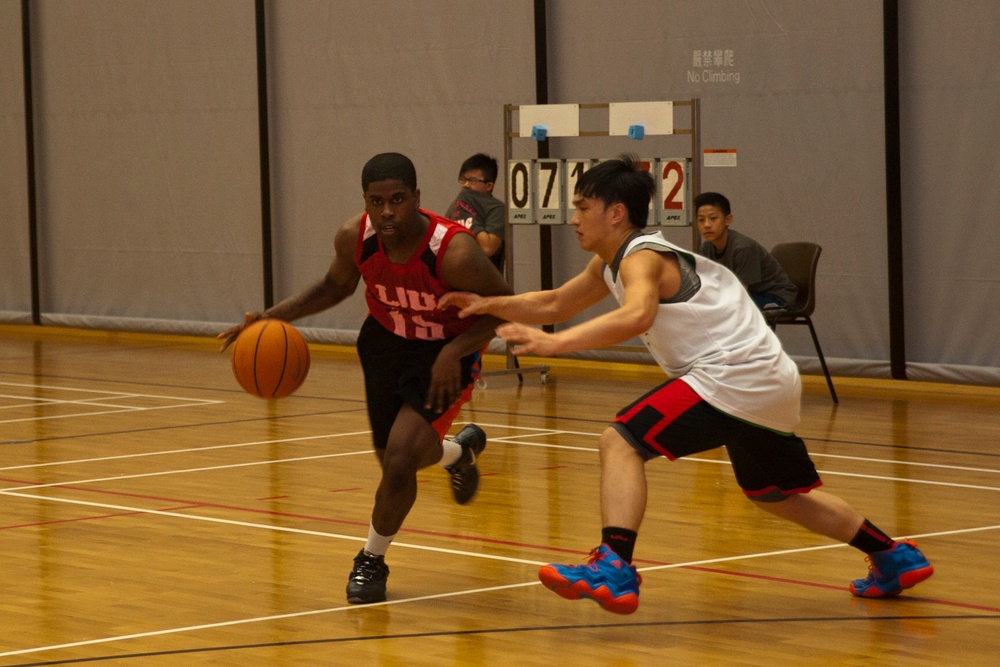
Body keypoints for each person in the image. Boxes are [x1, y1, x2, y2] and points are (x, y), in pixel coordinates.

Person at [440, 155, 932, 615]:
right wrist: (487, 305)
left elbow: (636, 316)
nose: (574, 217)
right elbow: (553, 304)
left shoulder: (642, 258)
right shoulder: (611, 261)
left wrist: (553, 345)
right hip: (767, 380)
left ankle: (614, 566)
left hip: (733, 373)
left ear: (615, 214)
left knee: (621, 441)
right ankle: (893, 557)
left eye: (582, 206)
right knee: (775, 495)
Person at [219, 152, 512, 605]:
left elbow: (504, 306)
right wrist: (266, 319)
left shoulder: (452, 250)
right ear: (365, 202)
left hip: (442, 352)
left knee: (399, 460)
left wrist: (455, 351)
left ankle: (371, 560)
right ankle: (457, 452)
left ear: (417, 197)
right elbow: (334, 287)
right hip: (384, 343)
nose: (388, 211)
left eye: (398, 199)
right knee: (395, 459)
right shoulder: (355, 236)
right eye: (377, 202)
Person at [695, 191, 797, 311]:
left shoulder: (743, 248)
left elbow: (740, 295)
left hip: (775, 296)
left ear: (727, 220)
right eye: (701, 220)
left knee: (724, 312)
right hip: (749, 296)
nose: (706, 225)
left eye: (713, 218)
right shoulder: (705, 249)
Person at [445, 153, 506, 273]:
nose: (466, 185)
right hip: (454, 279)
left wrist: (467, 217)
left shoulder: (496, 208)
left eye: (472, 181)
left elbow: (488, 248)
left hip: (486, 282)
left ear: (489, 186)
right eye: (463, 180)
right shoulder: (457, 204)